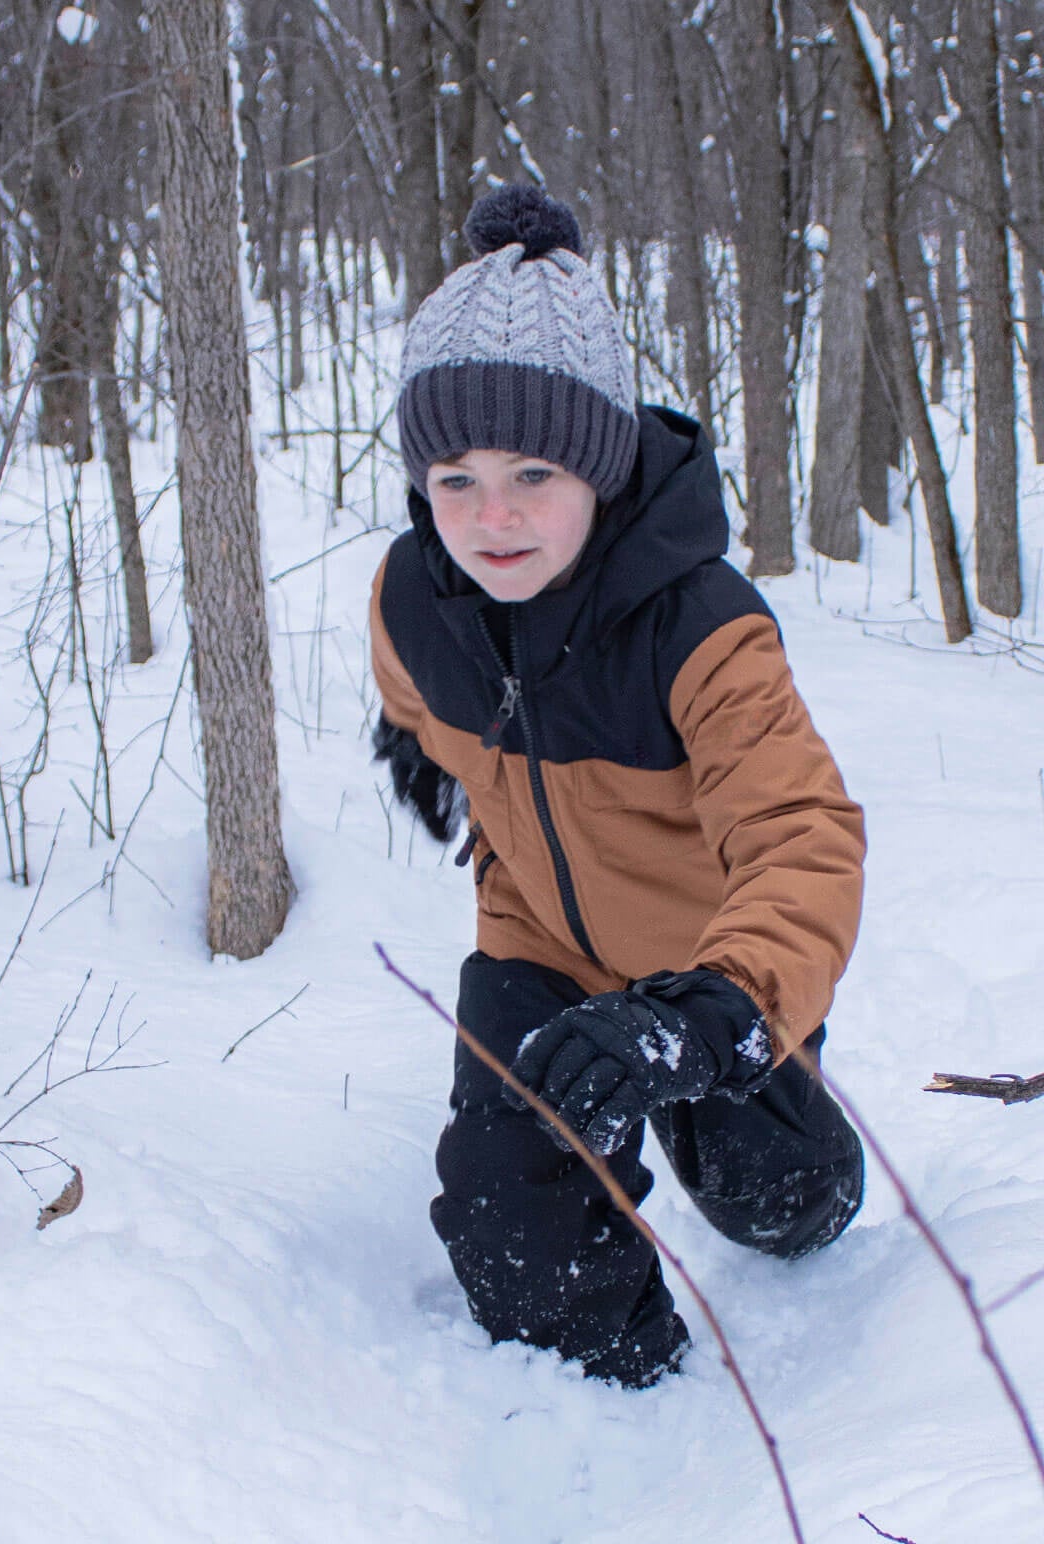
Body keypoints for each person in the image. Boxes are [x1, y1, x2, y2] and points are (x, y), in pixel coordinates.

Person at [370, 184, 866, 1389]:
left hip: (705, 969)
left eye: (534, 470)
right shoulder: (412, 600)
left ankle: (785, 1141)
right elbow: (412, 701)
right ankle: (630, 1422)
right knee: (511, 1225)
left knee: (775, 1203)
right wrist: (426, 754)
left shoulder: (701, 627)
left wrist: (705, 1015)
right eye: (455, 476)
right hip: (536, 941)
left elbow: (806, 838)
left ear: (598, 461)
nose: (491, 517)